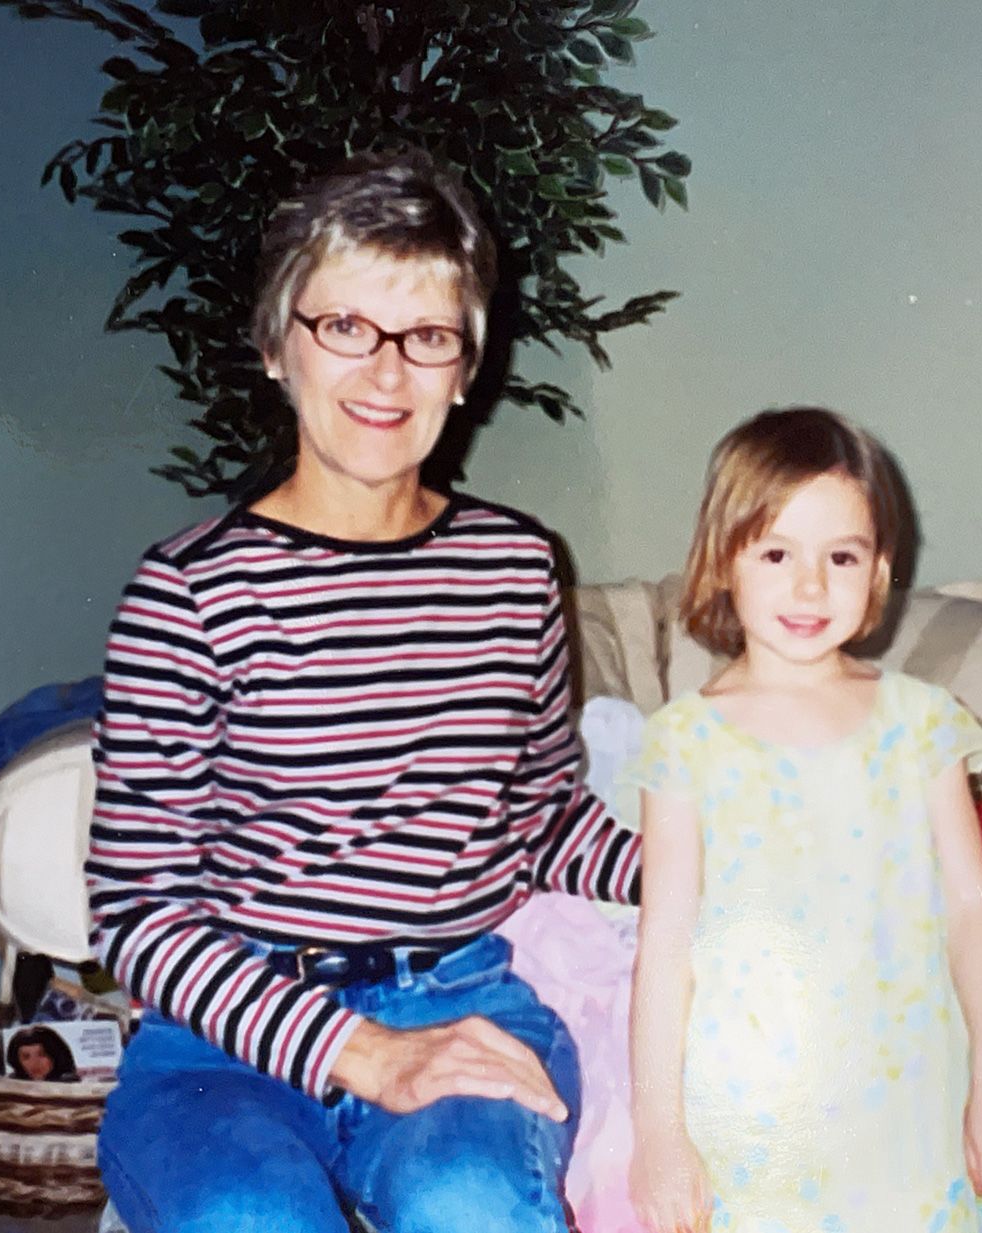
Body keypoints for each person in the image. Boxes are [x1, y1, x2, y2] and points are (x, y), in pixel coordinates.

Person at [86, 150, 641, 1233]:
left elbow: (535, 820)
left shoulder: (515, 568)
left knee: (470, 1201)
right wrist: (361, 1051)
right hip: (219, 1043)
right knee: (249, 1216)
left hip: (462, 999)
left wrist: (703, 864)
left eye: (426, 337)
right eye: (345, 327)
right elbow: (138, 912)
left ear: (465, 368)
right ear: (273, 347)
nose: (386, 376)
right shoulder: (187, 590)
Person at [625, 408, 982, 1232]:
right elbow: (666, 946)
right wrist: (659, 1133)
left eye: (842, 556)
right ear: (723, 561)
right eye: (777, 552)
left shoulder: (920, 719)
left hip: (910, 1113)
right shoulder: (684, 739)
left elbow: (970, 907)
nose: (810, 586)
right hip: (754, 1121)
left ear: (879, 571)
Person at [6, 1024, 79, 1083]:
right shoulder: (12, 1084)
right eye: (26, 1057)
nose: (34, 1063)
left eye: (42, 1054)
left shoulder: (70, 1084)